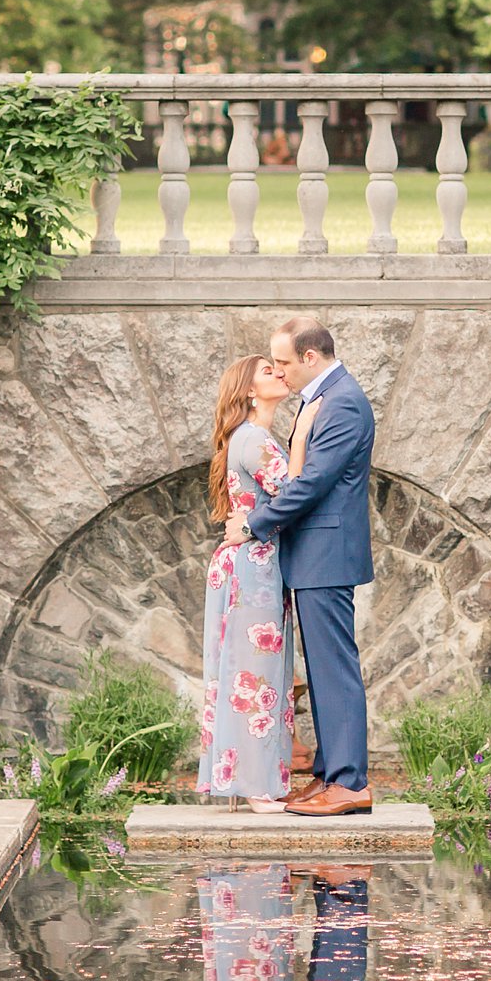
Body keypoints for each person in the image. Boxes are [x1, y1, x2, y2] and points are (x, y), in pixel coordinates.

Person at [226, 318, 376, 818]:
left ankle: (350, 784)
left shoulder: (343, 403)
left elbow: (311, 483)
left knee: (335, 669)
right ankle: (330, 775)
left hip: (326, 555)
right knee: (324, 668)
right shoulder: (320, 400)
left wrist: (251, 525)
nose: (281, 372)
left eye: (285, 362)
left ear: (310, 357)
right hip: (312, 555)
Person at [197, 353, 323, 812]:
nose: (279, 373)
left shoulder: (249, 438)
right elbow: (295, 494)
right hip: (253, 567)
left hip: (250, 563)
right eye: (268, 371)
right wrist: (305, 435)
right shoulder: (253, 440)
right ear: (249, 391)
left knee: (246, 672)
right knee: (255, 675)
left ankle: (247, 782)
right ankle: (253, 787)